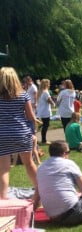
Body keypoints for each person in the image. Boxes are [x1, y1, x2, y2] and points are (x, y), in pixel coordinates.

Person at [0, 67, 38, 199]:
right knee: (29, 163)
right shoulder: (23, 95)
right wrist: (35, 129)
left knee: (4, 168)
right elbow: (30, 116)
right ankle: (41, 191)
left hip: (2, 134)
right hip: (21, 132)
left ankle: (3, 197)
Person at [36, 79, 55, 144]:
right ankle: (44, 140)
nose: (49, 85)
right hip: (45, 111)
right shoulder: (45, 92)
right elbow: (49, 100)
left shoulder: (40, 91)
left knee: (43, 125)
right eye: (48, 83)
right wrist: (53, 104)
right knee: (45, 125)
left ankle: (41, 138)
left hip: (41, 111)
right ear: (46, 84)